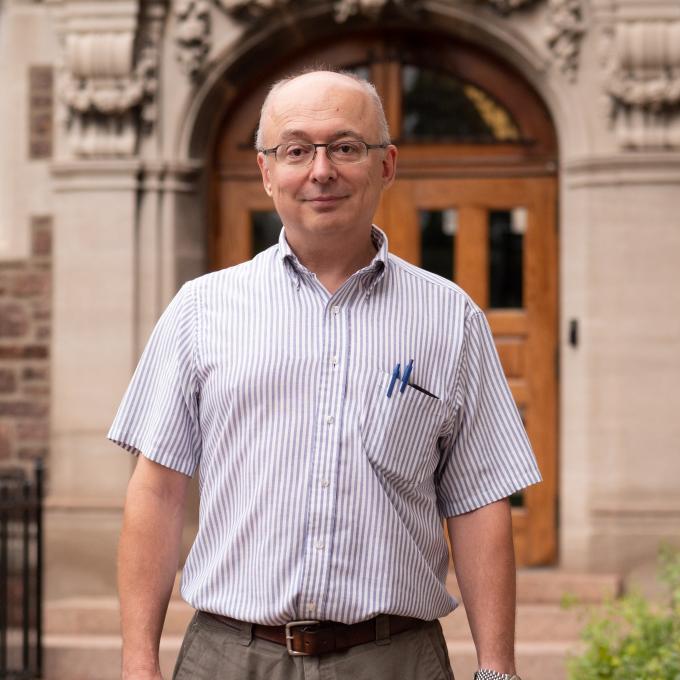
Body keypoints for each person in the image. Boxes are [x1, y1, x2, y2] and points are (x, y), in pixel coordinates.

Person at [109, 69, 540, 680]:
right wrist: (137, 664)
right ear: (266, 170)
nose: (321, 170)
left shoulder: (451, 319)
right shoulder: (199, 311)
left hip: (396, 658)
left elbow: (479, 502)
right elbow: (156, 492)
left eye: (345, 147)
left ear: (386, 165)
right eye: (296, 150)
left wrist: (497, 670)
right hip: (231, 657)